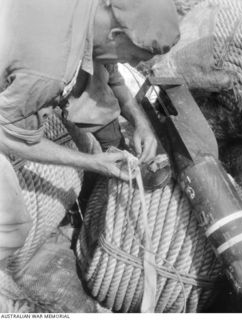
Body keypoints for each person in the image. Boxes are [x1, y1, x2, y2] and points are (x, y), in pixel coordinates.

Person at [0, 0, 180, 263]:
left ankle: (108, 149)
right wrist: (92, 163)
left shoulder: (93, 14)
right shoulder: (49, 71)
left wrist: (142, 123)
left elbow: (111, 70)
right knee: (14, 228)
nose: (131, 62)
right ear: (116, 35)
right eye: (133, 57)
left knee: (97, 78)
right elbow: (8, 137)